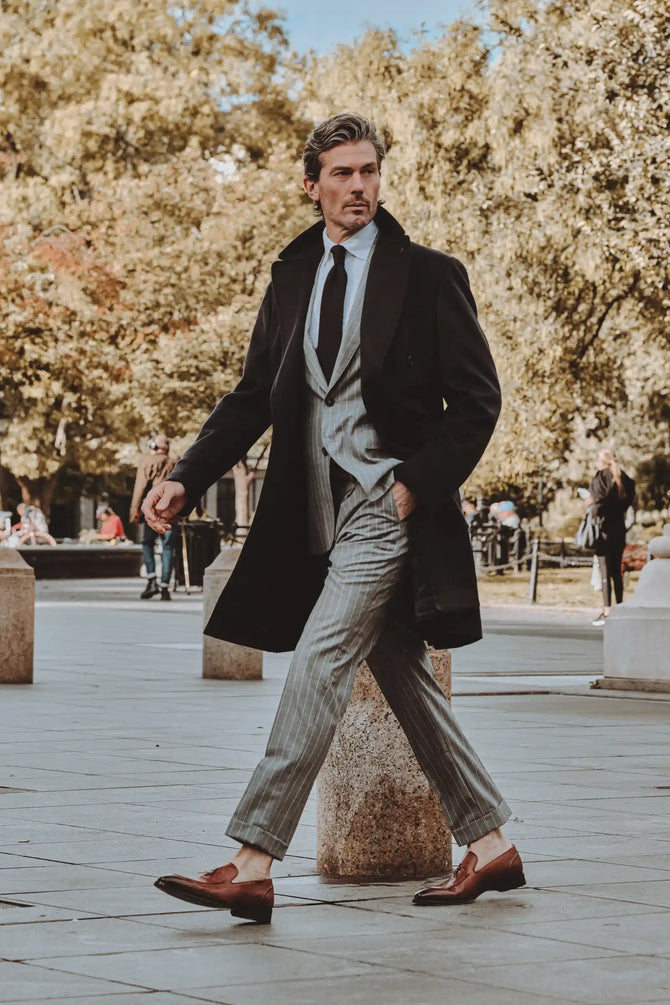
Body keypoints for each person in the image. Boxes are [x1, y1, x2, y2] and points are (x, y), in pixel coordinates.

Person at [143, 113, 525, 923]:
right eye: (343, 173)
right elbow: (253, 396)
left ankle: (251, 859)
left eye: (370, 171)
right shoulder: (292, 276)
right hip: (315, 506)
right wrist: (186, 475)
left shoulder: (426, 274)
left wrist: (414, 486)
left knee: (318, 660)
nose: (359, 186)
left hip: (386, 505)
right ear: (310, 182)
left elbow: (479, 402)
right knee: (399, 672)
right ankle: (490, 844)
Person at [589, 447, 636, 626]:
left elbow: (598, 503)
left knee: (604, 570)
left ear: (601, 461)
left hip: (604, 529)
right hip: (619, 527)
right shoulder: (625, 480)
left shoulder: (600, 478)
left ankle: (607, 608)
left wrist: (591, 506)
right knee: (617, 570)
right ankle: (620, 605)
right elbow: (629, 501)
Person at [130, 434, 177, 600]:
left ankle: (151, 580)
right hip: (171, 512)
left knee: (147, 543)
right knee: (168, 548)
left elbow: (139, 488)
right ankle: (165, 587)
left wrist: (135, 511)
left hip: (151, 510)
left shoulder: (147, 462)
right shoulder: (174, 462)